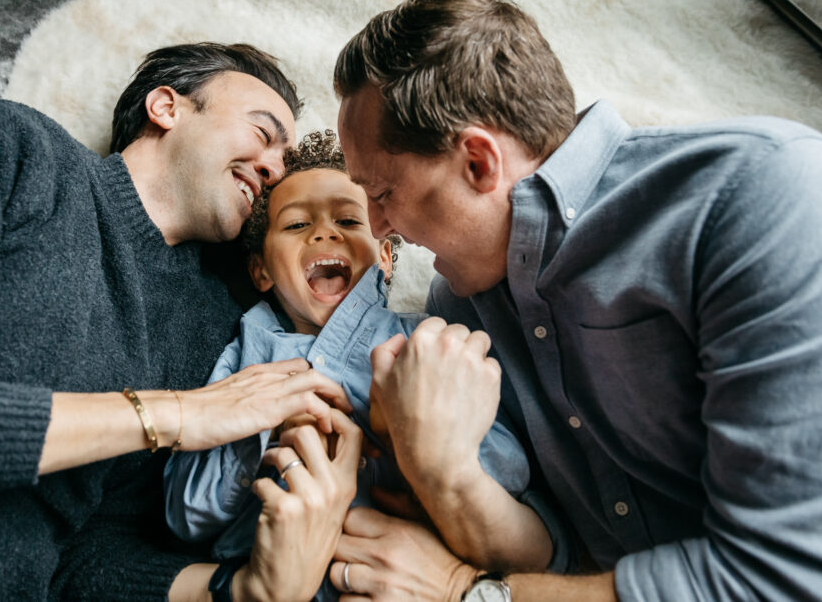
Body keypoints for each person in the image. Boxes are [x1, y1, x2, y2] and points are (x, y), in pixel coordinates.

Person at [330, 0, 822, 600]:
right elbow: (561, 549)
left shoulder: (762, 195)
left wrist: (468, 593)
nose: (377, 227)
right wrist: (444, 475)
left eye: (382, 192)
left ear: (477, 163)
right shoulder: (457, 314)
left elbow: (791, 580)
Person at [0, 42, 359, 601]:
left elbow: (88, 554)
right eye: (262, 133)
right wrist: (173, 413)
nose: (274, 171)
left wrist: (243, 590)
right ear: (166, 107)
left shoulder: (219, 332)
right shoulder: (9, 150)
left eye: (285, 163)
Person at [163, 129, 555, 599]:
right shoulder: (246, 356)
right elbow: (185, 516)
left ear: (386, 258)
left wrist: (408, 437)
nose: (324, 233)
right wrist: (262, 432)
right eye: (295, 225)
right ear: (261, 271)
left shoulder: (427, 342)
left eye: (349, 221)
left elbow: (513, 477)